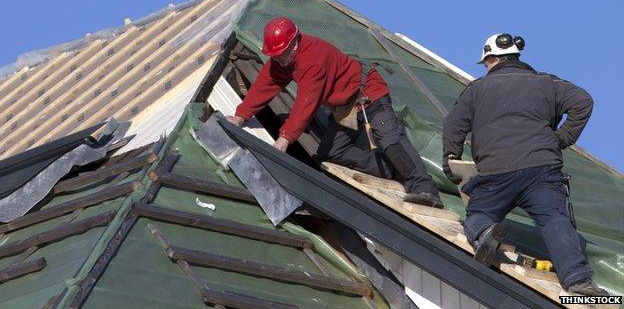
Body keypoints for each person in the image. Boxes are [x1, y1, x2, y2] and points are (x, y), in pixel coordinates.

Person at [442, 33, 608, 296]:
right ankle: (579, 281)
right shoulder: (546, 83)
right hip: (541, 167)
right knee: (555, 220)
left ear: (492, 60)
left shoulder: (475, 90)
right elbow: (583, 102)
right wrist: (560, 139)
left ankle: (485, 232)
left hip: (496, 170)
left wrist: (449, 160)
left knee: (478, 215)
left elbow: (453, 125)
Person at [227, 16, 444, 208]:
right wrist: (240, 115)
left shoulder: (312, 59)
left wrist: (284, 139)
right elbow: (265, 84)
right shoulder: (281, 61)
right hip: (345, 107)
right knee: (332, 153)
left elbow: (306, 102)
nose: (279, 59)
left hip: (368, 92)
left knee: (390, 139)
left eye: (282, 54)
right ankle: (392, 169)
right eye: (274, 56)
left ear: (294, 44)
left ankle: (424, 188)